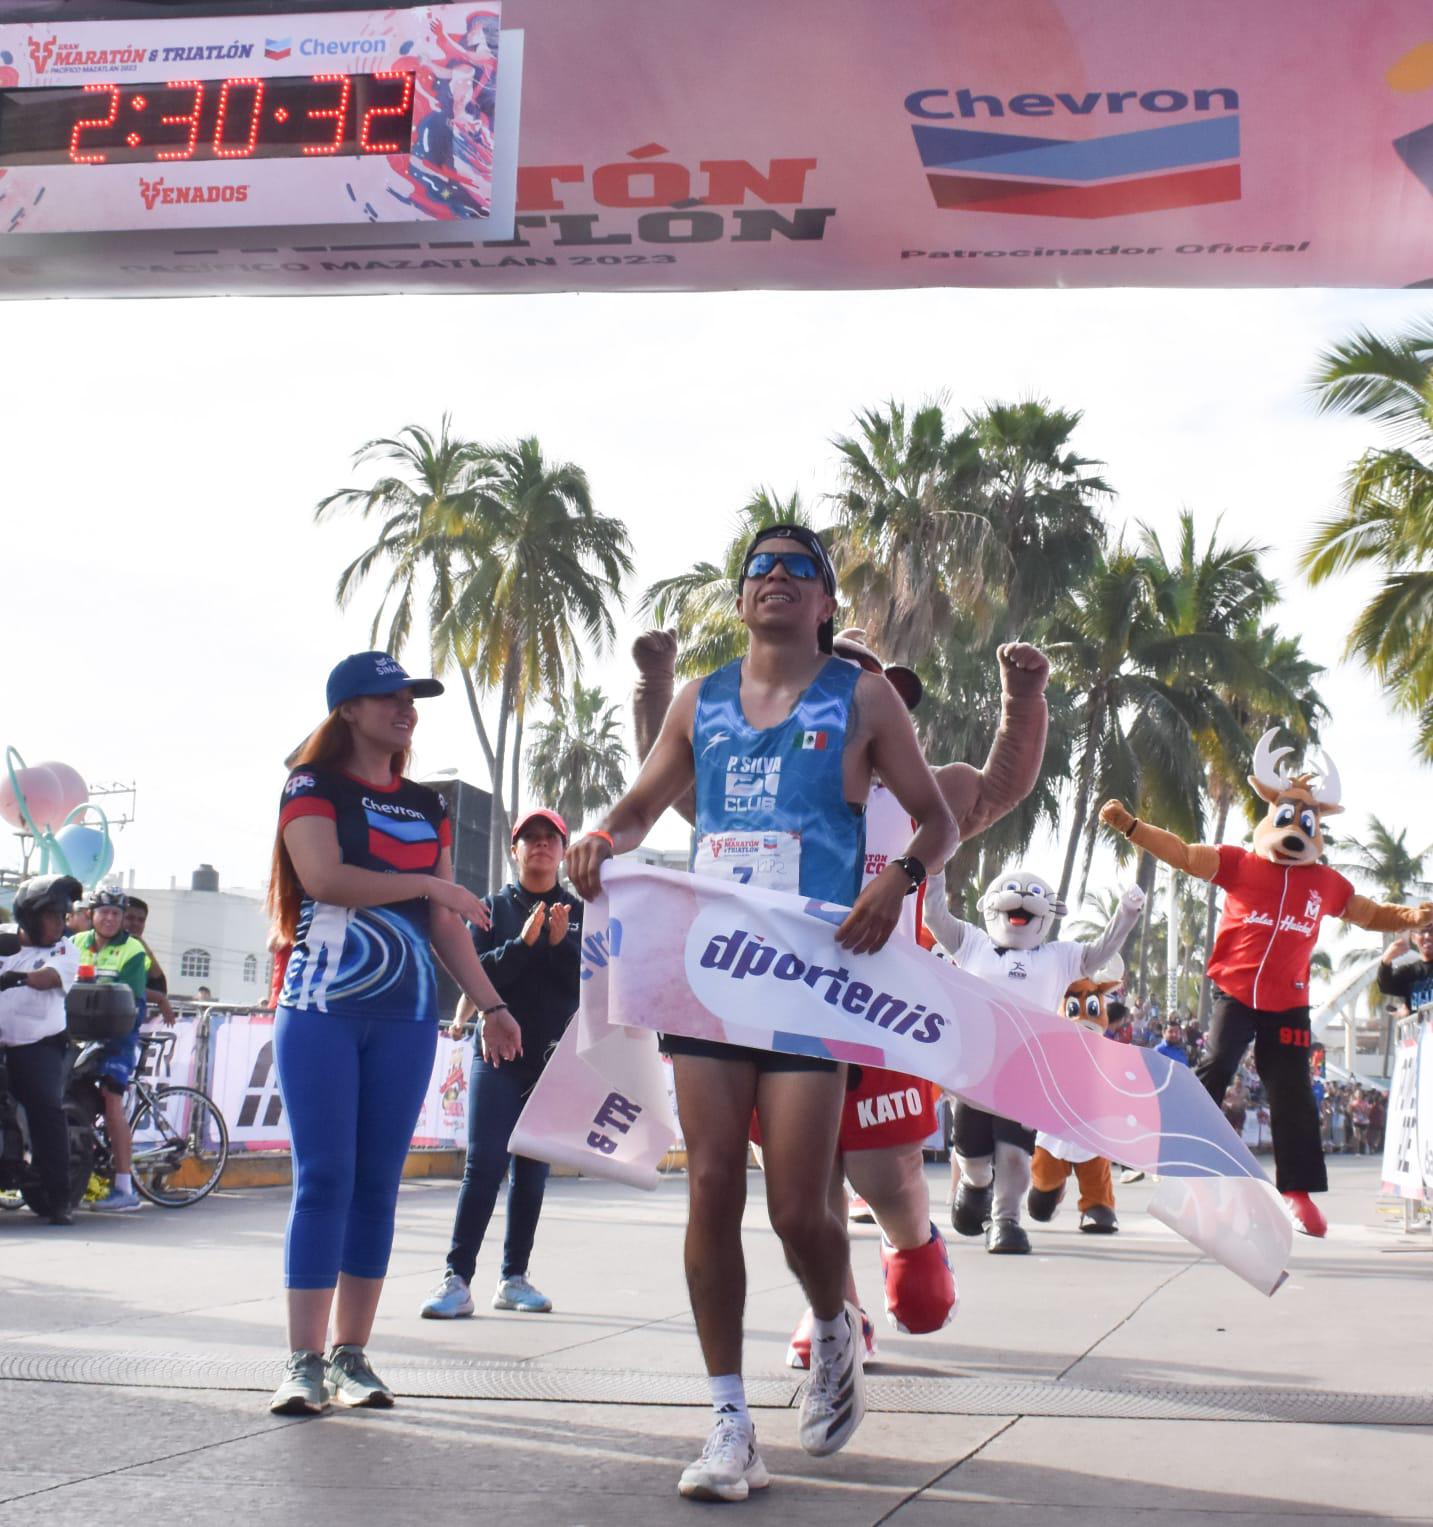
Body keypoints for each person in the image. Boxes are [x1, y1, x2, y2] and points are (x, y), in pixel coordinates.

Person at [567, 526, 957, 1503]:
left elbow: (937, 818)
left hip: (808, 981)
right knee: (708, 1185)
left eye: (798, 569)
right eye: (759, 570)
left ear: (824, 604)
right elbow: (640, 807)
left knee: (796, 1207)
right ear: (740, 601)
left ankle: (832, 1324)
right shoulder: (699, 702)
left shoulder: (862, 698)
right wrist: (596, 837)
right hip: (711, 969)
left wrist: (898, 879)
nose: (776, 579)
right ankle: (728, 1422)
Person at [631, 622, 1052, 1360]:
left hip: (879, 1011)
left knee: (885, 1174)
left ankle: (914, 1242)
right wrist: (654, 683)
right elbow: (671, 781)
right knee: (803, 1178)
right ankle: (837, 1313)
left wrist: (1023, 694)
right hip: (786, 1003)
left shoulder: (929, 792)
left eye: (872, 690)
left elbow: (1003, 782)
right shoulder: (760, 783)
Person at [265, 651, 521, 1418]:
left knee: (379, 1185)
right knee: (324, 1180)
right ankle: (302, 1361)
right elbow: (324, 878)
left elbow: (445, 923)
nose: (404, 707)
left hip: (405, 1015)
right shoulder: (312, 786)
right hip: (321, 1008)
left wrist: (493, 1003)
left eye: (411, 696)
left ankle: (352, 1355)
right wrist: (426, 882)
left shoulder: (425, 804)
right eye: (387, 696)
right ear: (348, 708)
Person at [422, 806, 582, 1320]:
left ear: (563, 849)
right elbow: (475, 973)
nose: (540, 845)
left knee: (532, 1171)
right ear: (514, 850)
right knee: (485, 1164)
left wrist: (559, 946)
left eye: (550, 838)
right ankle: (457, 1277)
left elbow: (587, 986)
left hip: (551, 1061)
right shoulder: (491, 908)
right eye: (529, 838)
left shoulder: (579, 911)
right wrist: (524, 943)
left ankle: (514, 1277)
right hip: (495, 1055)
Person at [71, 888, 167, 1212]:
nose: (110, 918)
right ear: (92, 915)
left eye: (116, 913)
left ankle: (125, 1188)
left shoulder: (132, 949)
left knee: (113, 1100)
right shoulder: (75, 944)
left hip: (117, 1035)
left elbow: (133, 1006)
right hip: (77, 1034)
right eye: (104, 912)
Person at [0, 874, 84, 1224]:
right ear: (31, 916)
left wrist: (15, 978)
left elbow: (49, 977)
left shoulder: (64, 949)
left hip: (37, 1046)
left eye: (64, 916)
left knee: (45, 1110)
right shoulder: (3, 941)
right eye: (53, 915)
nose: (60, 924)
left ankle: (58, 1197)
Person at [123, 897, 178, 1026]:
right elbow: (123, 986)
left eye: (141, 920)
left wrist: (141, 943)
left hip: (129, 1023)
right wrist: (159, 999)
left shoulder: (137, 948)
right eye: (130, 918)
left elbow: (159, 986)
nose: (135, 923)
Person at [1378, 925, 1433, 1016]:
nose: (1427, 936)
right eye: (1422, 931)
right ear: (1413, 938)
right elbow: (1385, 985)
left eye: (1432, 931)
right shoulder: (1410, 972)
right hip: (1419, 1028)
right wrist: (1387, 959)